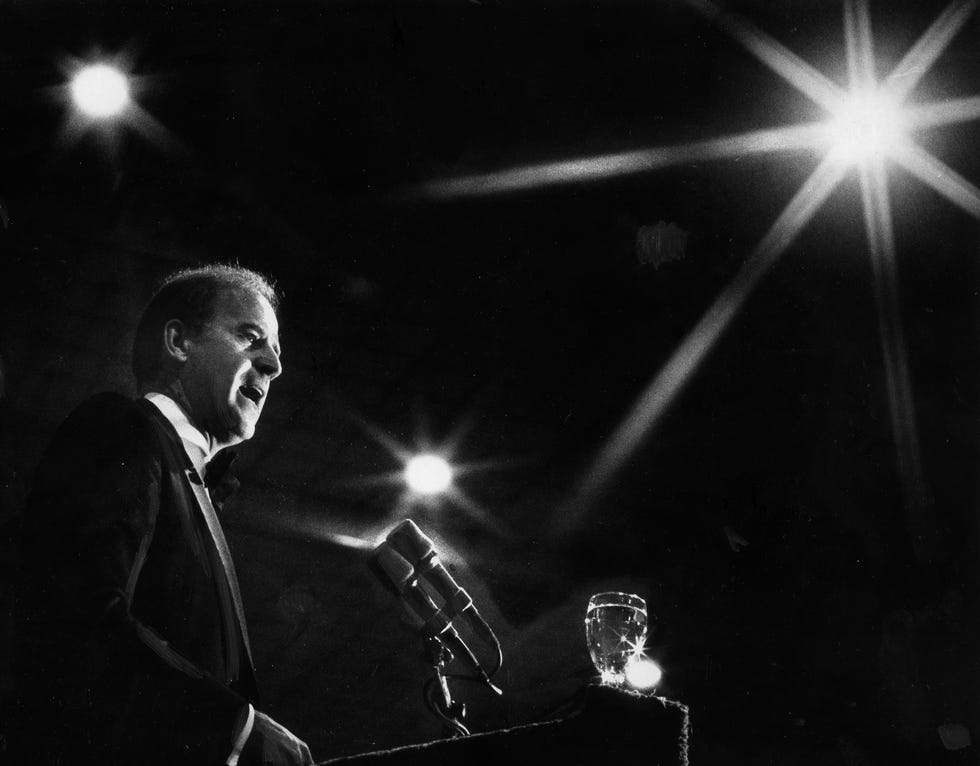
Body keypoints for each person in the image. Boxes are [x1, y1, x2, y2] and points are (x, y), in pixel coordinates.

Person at [12, 265, 313, 765]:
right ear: (178, 341)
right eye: (250, 336)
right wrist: (236, 729)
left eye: (277, 351)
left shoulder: (190, 480)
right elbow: (78, 614)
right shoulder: (121, 428)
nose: (273, 366)